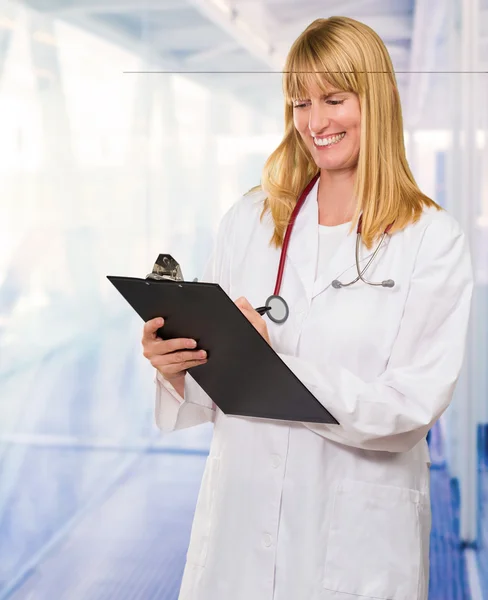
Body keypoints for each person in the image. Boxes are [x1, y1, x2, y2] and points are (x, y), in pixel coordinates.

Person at [141, 15, 473, 600]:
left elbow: (411, 407)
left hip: (356, 544)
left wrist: (274, 365)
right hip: (239, 536)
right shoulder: (249, 220)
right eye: (300, 103)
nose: (315, 122)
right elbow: (212, 388)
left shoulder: (432, 239)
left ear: (376, 100)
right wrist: (175, 366)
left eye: (334, 99)